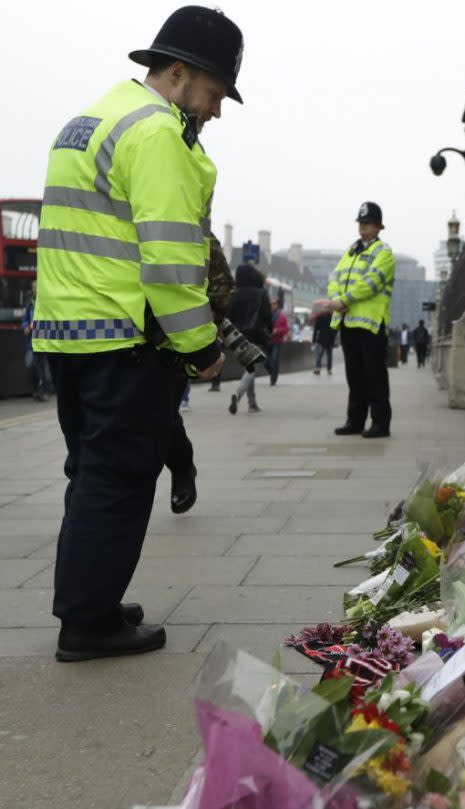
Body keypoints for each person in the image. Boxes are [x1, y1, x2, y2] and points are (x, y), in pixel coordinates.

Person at [31, 6, 243, 662]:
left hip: (69, 332)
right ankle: (89, 624)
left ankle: (87, 598)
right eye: (212, 94)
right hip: (124, 338)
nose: (215, 111)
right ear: (178, 74)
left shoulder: (91, 118)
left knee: (89, 473)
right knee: (118, 478)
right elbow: (171, 260)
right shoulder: (156, 134)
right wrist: (203, 347)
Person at [165, 233, 235, 514]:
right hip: (112, 335)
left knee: (163, 417)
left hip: (169, 341)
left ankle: (182, 466)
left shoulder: (194, 229)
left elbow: (220, 286)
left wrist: (202, 336)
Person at [328, 201, 396, 438]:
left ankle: (380, 423)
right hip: (348, 323)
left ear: (378, 226)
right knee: (354, 376)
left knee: (375, 375)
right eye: (361, 222)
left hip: (370, 325)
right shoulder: (351, 252)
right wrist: (335, 296)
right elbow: (334, 277)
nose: (363, 227)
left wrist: (343, 299)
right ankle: (354, 421)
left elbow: (371, 283)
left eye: (367, 223)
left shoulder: (384, 253)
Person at [228, 262, 272, 413]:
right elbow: (267, 316)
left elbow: (230, 316)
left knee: (250, 367)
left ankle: (252, 403)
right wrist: (270, 330)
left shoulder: (233, 294)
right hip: (257, 334)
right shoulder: (261, 293)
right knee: (253, 369)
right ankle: (238, 393)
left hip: (239, 336)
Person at [21, 281, 53, 401]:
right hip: (31, 342)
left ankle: (43, 391)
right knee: (30, 365)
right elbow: (24, 319)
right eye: (34, 287)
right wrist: (25, 326)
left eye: (38, 287)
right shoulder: (29, 303)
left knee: (43, 368)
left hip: (43, 341)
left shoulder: (46, 303)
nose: (36, 289)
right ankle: (36, 389)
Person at [267, 299, 289, 385]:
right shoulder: (267, 315)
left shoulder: (282, 316)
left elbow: (286, 329)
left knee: (275, 359)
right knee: (266, 361)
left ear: (277, 305)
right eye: (271, 304)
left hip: (277, 341)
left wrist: (278, 331)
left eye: (273, 304)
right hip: (268, 340)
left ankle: (273, 379)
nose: (272, 306)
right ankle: (273, 372)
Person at [312, 310, 335, 375]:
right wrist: (333, 337)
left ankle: (318, 369)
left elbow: (316, 329)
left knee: (319, 355)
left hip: (321, 339)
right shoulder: (331, 317)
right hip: (329, 339)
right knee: (329, 355)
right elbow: (334, 329)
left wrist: (313, 340)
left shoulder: (320, 317)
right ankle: (329, 369)